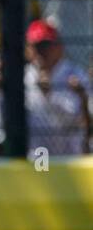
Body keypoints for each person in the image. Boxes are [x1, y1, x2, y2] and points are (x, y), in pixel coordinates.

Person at [23, 20, 88, 156]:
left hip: (70, 157)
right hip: (38, 156)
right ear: (28, 50)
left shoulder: (76, 75)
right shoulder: (24, 77)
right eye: (37, 46)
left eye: (46, 45)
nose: (41, 52)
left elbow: (78, 121)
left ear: (59, 47)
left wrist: (50, 95)